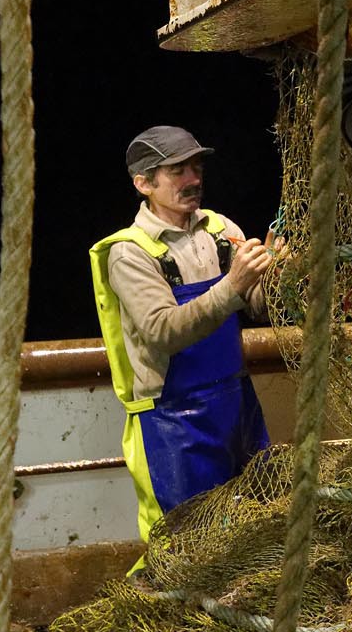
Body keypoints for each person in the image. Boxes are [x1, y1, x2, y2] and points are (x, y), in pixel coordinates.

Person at [89, 125, 281, 550]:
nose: (193, 179)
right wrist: (231, 287)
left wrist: (279, 273)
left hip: (236, 402)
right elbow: (161, 331)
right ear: (143, 184)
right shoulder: (131, 252)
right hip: (172, 423)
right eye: (176, 171)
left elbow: (257, 305)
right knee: (188, 544)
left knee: (258, 529)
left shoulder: (218, 229)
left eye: (196, 167)